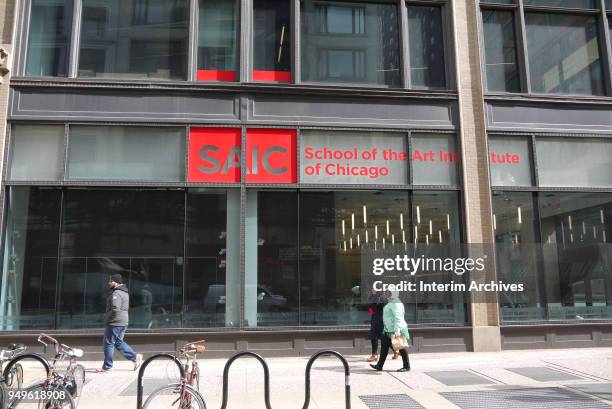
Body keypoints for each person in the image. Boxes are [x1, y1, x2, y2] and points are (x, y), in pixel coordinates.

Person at [97, 274, 143, 373]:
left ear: (116, 282)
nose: (109, 283)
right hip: (122, 322)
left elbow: (115, 309)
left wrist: (107, 319)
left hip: (115, 322)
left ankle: (107, 366)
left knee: (108, 343)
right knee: (118, 342)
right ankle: (135, 357)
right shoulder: (125, 292)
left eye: (111, 281)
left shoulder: (117, 293)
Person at [370, 291, 410, 372]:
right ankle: (379, 366)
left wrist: (397, 331)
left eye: (389, 293)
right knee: (384, 347)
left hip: (396, 330)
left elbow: (398, 317)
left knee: (401, 347)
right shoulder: (391, 302)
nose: (386, 295)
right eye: (386, 293)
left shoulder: (396, 303)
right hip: (388, 330)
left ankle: (406, 366)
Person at [366, 289, 385, 362]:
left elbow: (383, 307)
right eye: (372, 289)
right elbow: (369, 307)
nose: (373, 290)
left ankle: (396, 350)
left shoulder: (383, 297)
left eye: (375, 289)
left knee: (385, 339)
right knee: (373, 337)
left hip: (382, 320)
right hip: (374, 319)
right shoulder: (371, 297)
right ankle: (374, 355)